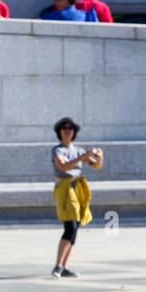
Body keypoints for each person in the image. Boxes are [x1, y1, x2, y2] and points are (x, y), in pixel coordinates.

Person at [51, 117, 104, 279]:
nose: (67, 131)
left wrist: (99, 157)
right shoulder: (57, 150)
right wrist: (82, 157)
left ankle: (64, 266)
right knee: (70, 225)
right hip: (65, 188)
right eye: (64, 128)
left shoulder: (78, 150)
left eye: (70, 129)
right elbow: (63, 166)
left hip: (78, 188)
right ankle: (58, 265)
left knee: (75, 227)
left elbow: (95, 166)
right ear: (59, 132)